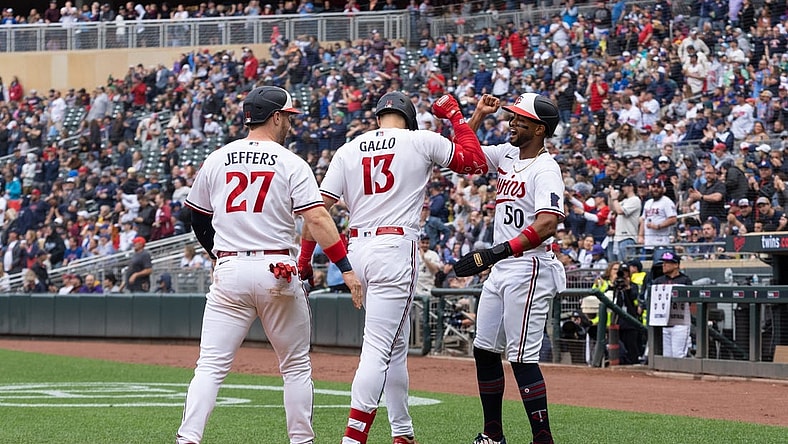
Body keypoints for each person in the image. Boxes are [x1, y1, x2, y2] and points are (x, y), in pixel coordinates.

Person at [177, 86, 362, 444]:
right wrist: (347, 268)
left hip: (229, 269)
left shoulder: (218, 157)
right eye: (288, 117)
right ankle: (301, 441)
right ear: (275, 116)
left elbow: (197, 217)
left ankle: (188, 439)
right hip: (275, 269)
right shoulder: (290, 161)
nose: (290, 124)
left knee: (210, 368)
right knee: (294, 367)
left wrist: (217, 254)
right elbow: (320, 220)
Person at [300, 91, 486, 444]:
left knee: (395, 345)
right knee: (377, 348)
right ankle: (353, 439)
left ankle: (402, 432)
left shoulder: (348, 148)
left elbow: (315, 213)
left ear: (378, 117)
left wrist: (305, 260)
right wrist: (458, 116)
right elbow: (473, 160)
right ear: (409, 119)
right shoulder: (419, 140)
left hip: (358, 249)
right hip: (395, 248)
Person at [456, 93, 565, 444]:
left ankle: (542, 439)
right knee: (485, 349)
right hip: (502, 268)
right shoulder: (507, 154)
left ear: (539, 128)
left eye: (520, 118)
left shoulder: (546, 168)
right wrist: (475, 115)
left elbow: (547, 224)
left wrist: (497, 251)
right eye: (513, 116)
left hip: (529, 267)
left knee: (521, 357)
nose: (512, 122)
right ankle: (493, 435)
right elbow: (462, 159)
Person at [651, 251, 693, 358]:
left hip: (680, 322)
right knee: (667, 356)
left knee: (678, 354)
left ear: (676, 265)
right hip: (664, 323)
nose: (664, 265)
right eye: (663, 262)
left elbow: (691, 302)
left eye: (668, 262)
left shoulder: (685, 280)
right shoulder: (658, 281)